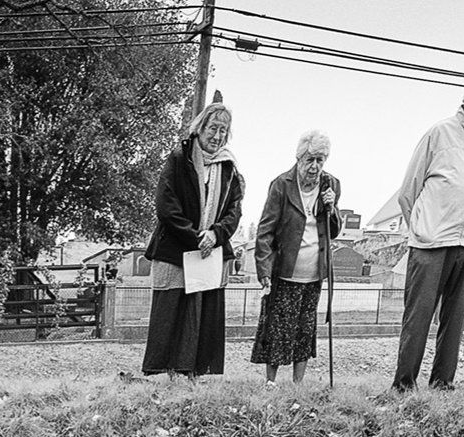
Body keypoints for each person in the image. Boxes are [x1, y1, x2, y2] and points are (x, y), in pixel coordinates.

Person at [390, 63, 464, 391]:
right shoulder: (439, 132)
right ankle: (404, 385)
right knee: (418, 319)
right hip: (431, 241)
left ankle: (442, 382)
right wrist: (420, 230)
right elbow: (409, 191)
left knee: (455, 321)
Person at [141, 92, 244, 380]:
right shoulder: (179, 158)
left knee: (200, 312)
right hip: (176, 248)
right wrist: (195, 236)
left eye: (223, 130)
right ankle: (165, 373)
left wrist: (215, 234)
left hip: (210, 250)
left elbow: (235, 211)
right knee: (172, 309)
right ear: (200, 128)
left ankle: (193, 373)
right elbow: (166, 204)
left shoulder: (229, 169)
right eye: (213, 128)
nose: (217, 135)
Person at [248, 131, 341, 383]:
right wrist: (264, 271)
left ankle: (298, 384)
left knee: (305, 330)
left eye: (321, 160)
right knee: (278, 329)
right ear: (299, 158)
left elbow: (334, 231)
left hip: (314, 274)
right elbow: (265, 231)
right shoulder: (282, 185)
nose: (315, 166)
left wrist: (332, 208)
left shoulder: (331, 185)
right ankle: (271, 382)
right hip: (285, 271)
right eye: (310, 159)